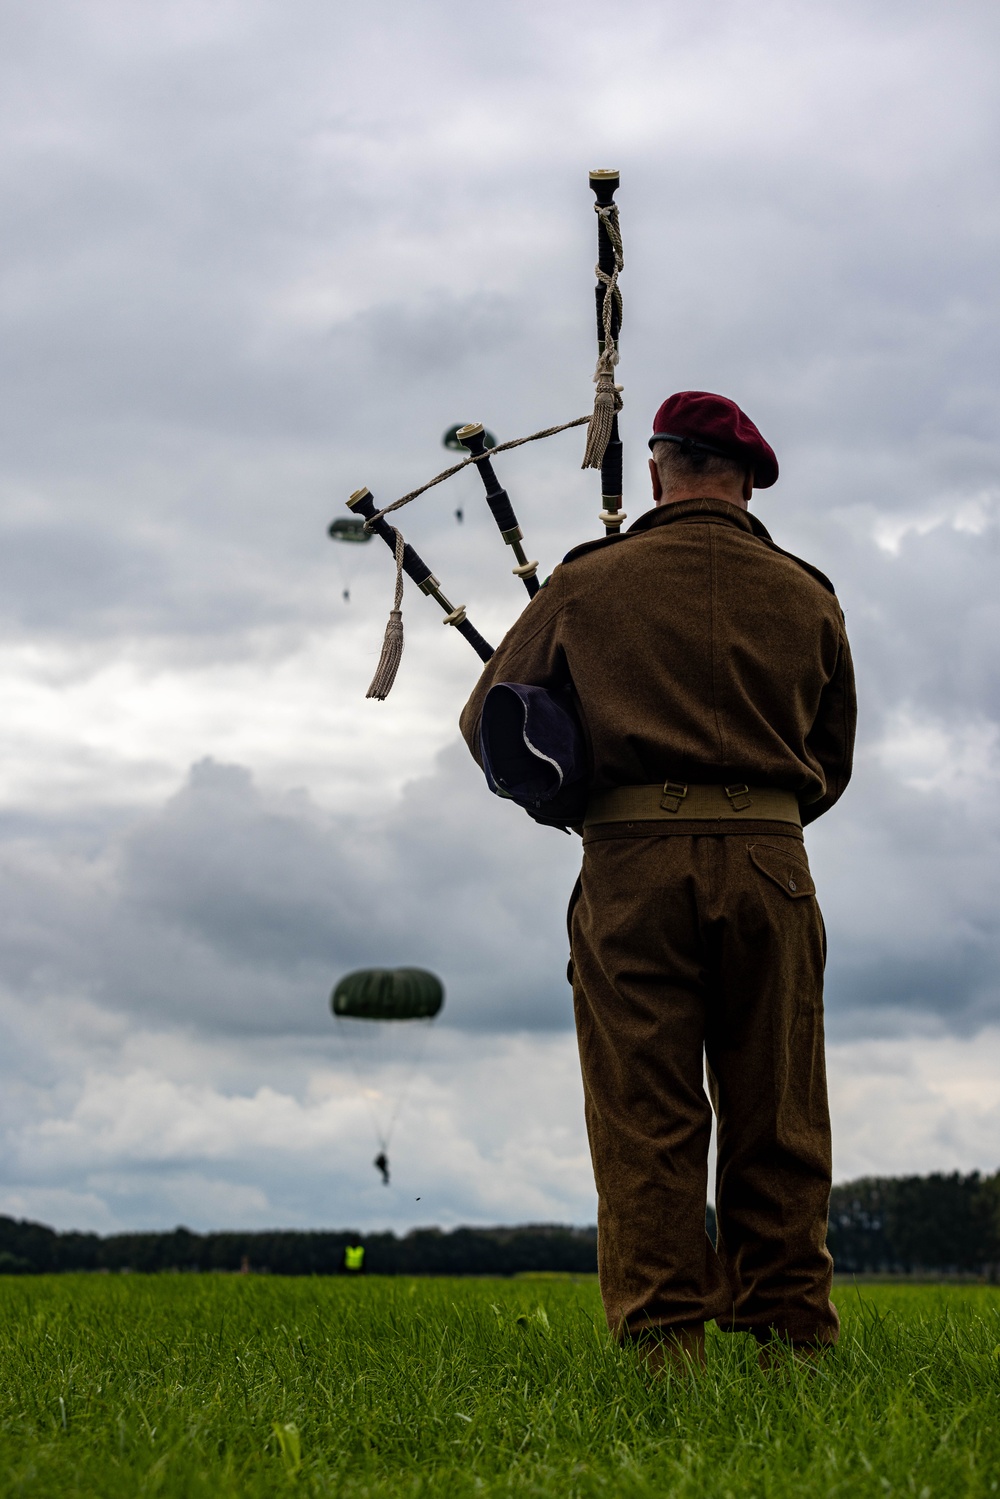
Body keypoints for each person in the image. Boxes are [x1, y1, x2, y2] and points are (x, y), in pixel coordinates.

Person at [459, 391, 856, 1371]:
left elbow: (489, 726)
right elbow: (832, 755)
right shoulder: (807, 593)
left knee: (646, 1117)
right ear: (749, 482)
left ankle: (662, 1352)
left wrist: (582, 801)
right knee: (780, 1110)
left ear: (654, 471)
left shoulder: (587, 583)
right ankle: (790, 1344)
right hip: (772, 866)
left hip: (631, 866)